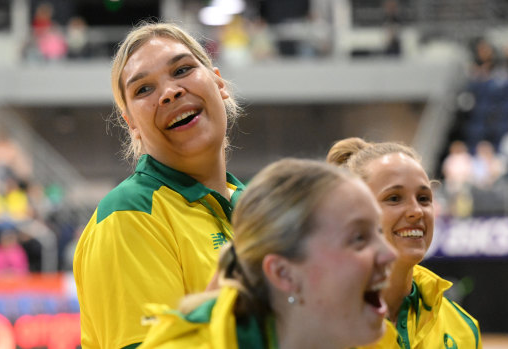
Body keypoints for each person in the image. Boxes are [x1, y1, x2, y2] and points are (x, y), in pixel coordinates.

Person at [73, 22, 245, 348]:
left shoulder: (259, 207)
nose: (170, 92)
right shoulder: (128, 215)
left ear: (219, 83)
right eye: (143, 89)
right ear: (132, 124)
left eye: (182, 69)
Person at [138, 158, 396, 348]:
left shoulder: (372, 339)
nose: (390, 254)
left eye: (379, 231)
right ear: (283, 273)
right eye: (359, 238)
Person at [327, 137, 482, 349]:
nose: (416, 211)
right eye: (394, 198)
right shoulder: (313, 328)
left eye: (424, 198)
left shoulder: (462, 330)